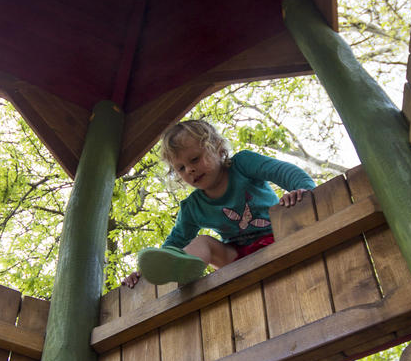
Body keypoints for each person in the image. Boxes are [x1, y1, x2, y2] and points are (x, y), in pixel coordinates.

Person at [123, 119, 316, 287]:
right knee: (201, 242)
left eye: (195, 159)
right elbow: (174, 244)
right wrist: (146, 273)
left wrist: (303, 191)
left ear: (217, 147)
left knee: (288, 207)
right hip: (237, 258)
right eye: (181, 168)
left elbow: (284, 172)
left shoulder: (243, 164)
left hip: (279, 235)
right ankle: (182, 275)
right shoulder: (193, 207)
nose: (190, 169)